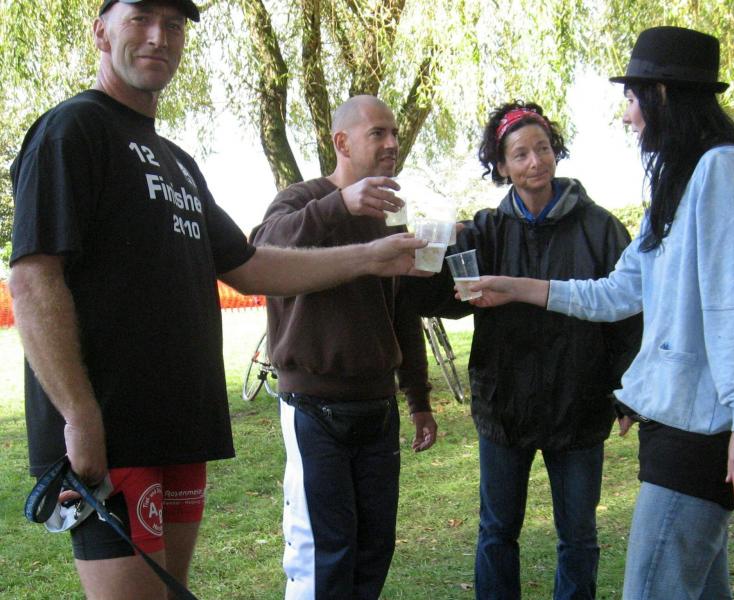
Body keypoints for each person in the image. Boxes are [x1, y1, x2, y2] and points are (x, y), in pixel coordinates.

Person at [8, 2, 427, 598]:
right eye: (140, 18)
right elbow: (33, 278)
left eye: (175, 25)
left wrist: (371, 257)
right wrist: (78, 414)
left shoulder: (178, 163)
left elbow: (251, 266)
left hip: (179, 427)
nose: (159, 37)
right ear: (101, 31)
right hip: (113, 430)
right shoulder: (72, 130)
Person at [468, 26, 734, 600]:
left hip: (703, 427)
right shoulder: (681, 179)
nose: (626, 116)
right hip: (673, 420)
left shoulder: (723, 170)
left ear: (661, 96)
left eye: (632, 99)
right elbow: (617, 292)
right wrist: (517, 288)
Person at [407, 100, 642, 599]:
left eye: (543, 148)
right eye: (520, 154)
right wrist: (429, 252)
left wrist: (626, 393)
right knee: (497, 530)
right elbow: (442, 301)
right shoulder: (485, 231)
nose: (536, 162)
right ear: (501, 166)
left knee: (578, 536)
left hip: (579, 405)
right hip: (505, 405)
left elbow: (628, 315)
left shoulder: (600, 229)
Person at [249, 95, 438, 600]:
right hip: (314, 408)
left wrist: (417, 398)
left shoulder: (389, 216)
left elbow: (401, 312)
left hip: (378, 409)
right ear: (342, 142)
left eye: (394, 132)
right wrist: (340, 204)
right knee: (322, 554)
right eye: (378, 133)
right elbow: (261, 249)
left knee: (374, 549)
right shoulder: (301, 199)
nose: (392, 142)